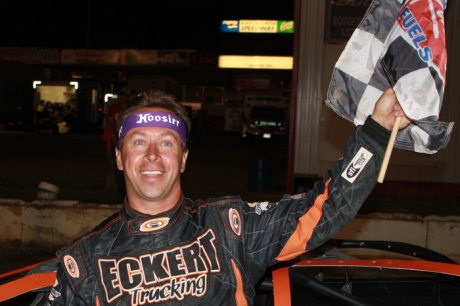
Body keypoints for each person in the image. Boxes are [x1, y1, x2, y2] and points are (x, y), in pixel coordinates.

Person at [41, 88, 410, 305]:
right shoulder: (83, 261)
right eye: (139, 142)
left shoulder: (229, 228)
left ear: (183, 158)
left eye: (166, 143)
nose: (152, 156)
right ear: (120, 157)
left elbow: (326, 208)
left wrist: (376, 133)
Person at [103, 91, 129, 196]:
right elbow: (108, 122)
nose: (123, 97)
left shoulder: (130, 108)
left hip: (127, 142)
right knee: (113, 166)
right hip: (115, 141)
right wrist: (113, 136)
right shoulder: (114, 107)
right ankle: (112, 189)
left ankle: (124, 190)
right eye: (122, 95)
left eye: (125, 95)